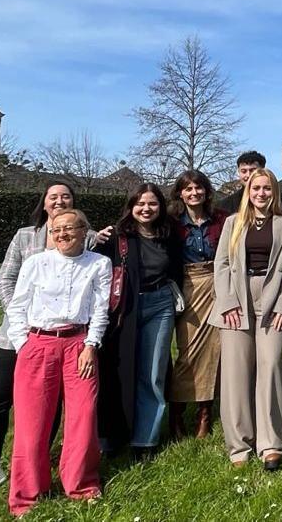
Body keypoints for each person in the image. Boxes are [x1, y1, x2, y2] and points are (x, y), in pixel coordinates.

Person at [0, 182, 104, 505]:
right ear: (44, 204)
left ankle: (55, 472)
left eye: (65, 197)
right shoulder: (26, 237)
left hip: (70, 340)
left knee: (51, 412)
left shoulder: (88, 242)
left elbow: (96, 289)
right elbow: (7, 279)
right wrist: (22, 332)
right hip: (23, 335)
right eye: (53, 196)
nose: (59, 200)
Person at [4, 208, 111, 517]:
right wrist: (24, 344)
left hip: (79, 344)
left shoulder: (98, 264)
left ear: (83, 232)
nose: (62, 234)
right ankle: (27, 494)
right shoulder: (36, 263)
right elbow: (18, 305)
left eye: (70, 228)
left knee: (83, 415)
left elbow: (101, 308)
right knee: (32, 421)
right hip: (38, 344)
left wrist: (91, 344)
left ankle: (80, 484)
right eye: (56, 229)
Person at [210, 168, 282, 470]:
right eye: (256, 188)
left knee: (271, 366)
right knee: (236, 373)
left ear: (274, 192)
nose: (261, 194)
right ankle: (239, 446)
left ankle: (271, 442)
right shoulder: (233, 223)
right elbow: (221, 264)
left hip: (272, 298)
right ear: (248, 191)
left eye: (267, 189)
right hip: (237, 296)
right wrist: (227, 302)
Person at [96, 183, 183, 458]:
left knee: (153, 374)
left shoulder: (169, 234)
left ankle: (145, 439)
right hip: (125, 309)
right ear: (131, 206)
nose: (146, 209)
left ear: (161, 206)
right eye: (141, 204)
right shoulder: (116, 236)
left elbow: (177, 269)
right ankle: (112, 436)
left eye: (153, 204)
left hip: (160, 305)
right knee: (119, 372)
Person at [168, 170, 228, 440]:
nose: (194, 193)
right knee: (187, 354)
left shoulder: (221, 220)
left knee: (215, 353)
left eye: (199, 188)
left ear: (206, 191)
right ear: (180, 193)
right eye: (188, 189)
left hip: (217, 283)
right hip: (187, 288)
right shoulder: (171, 223)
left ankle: (205, 415)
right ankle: (177, 414)